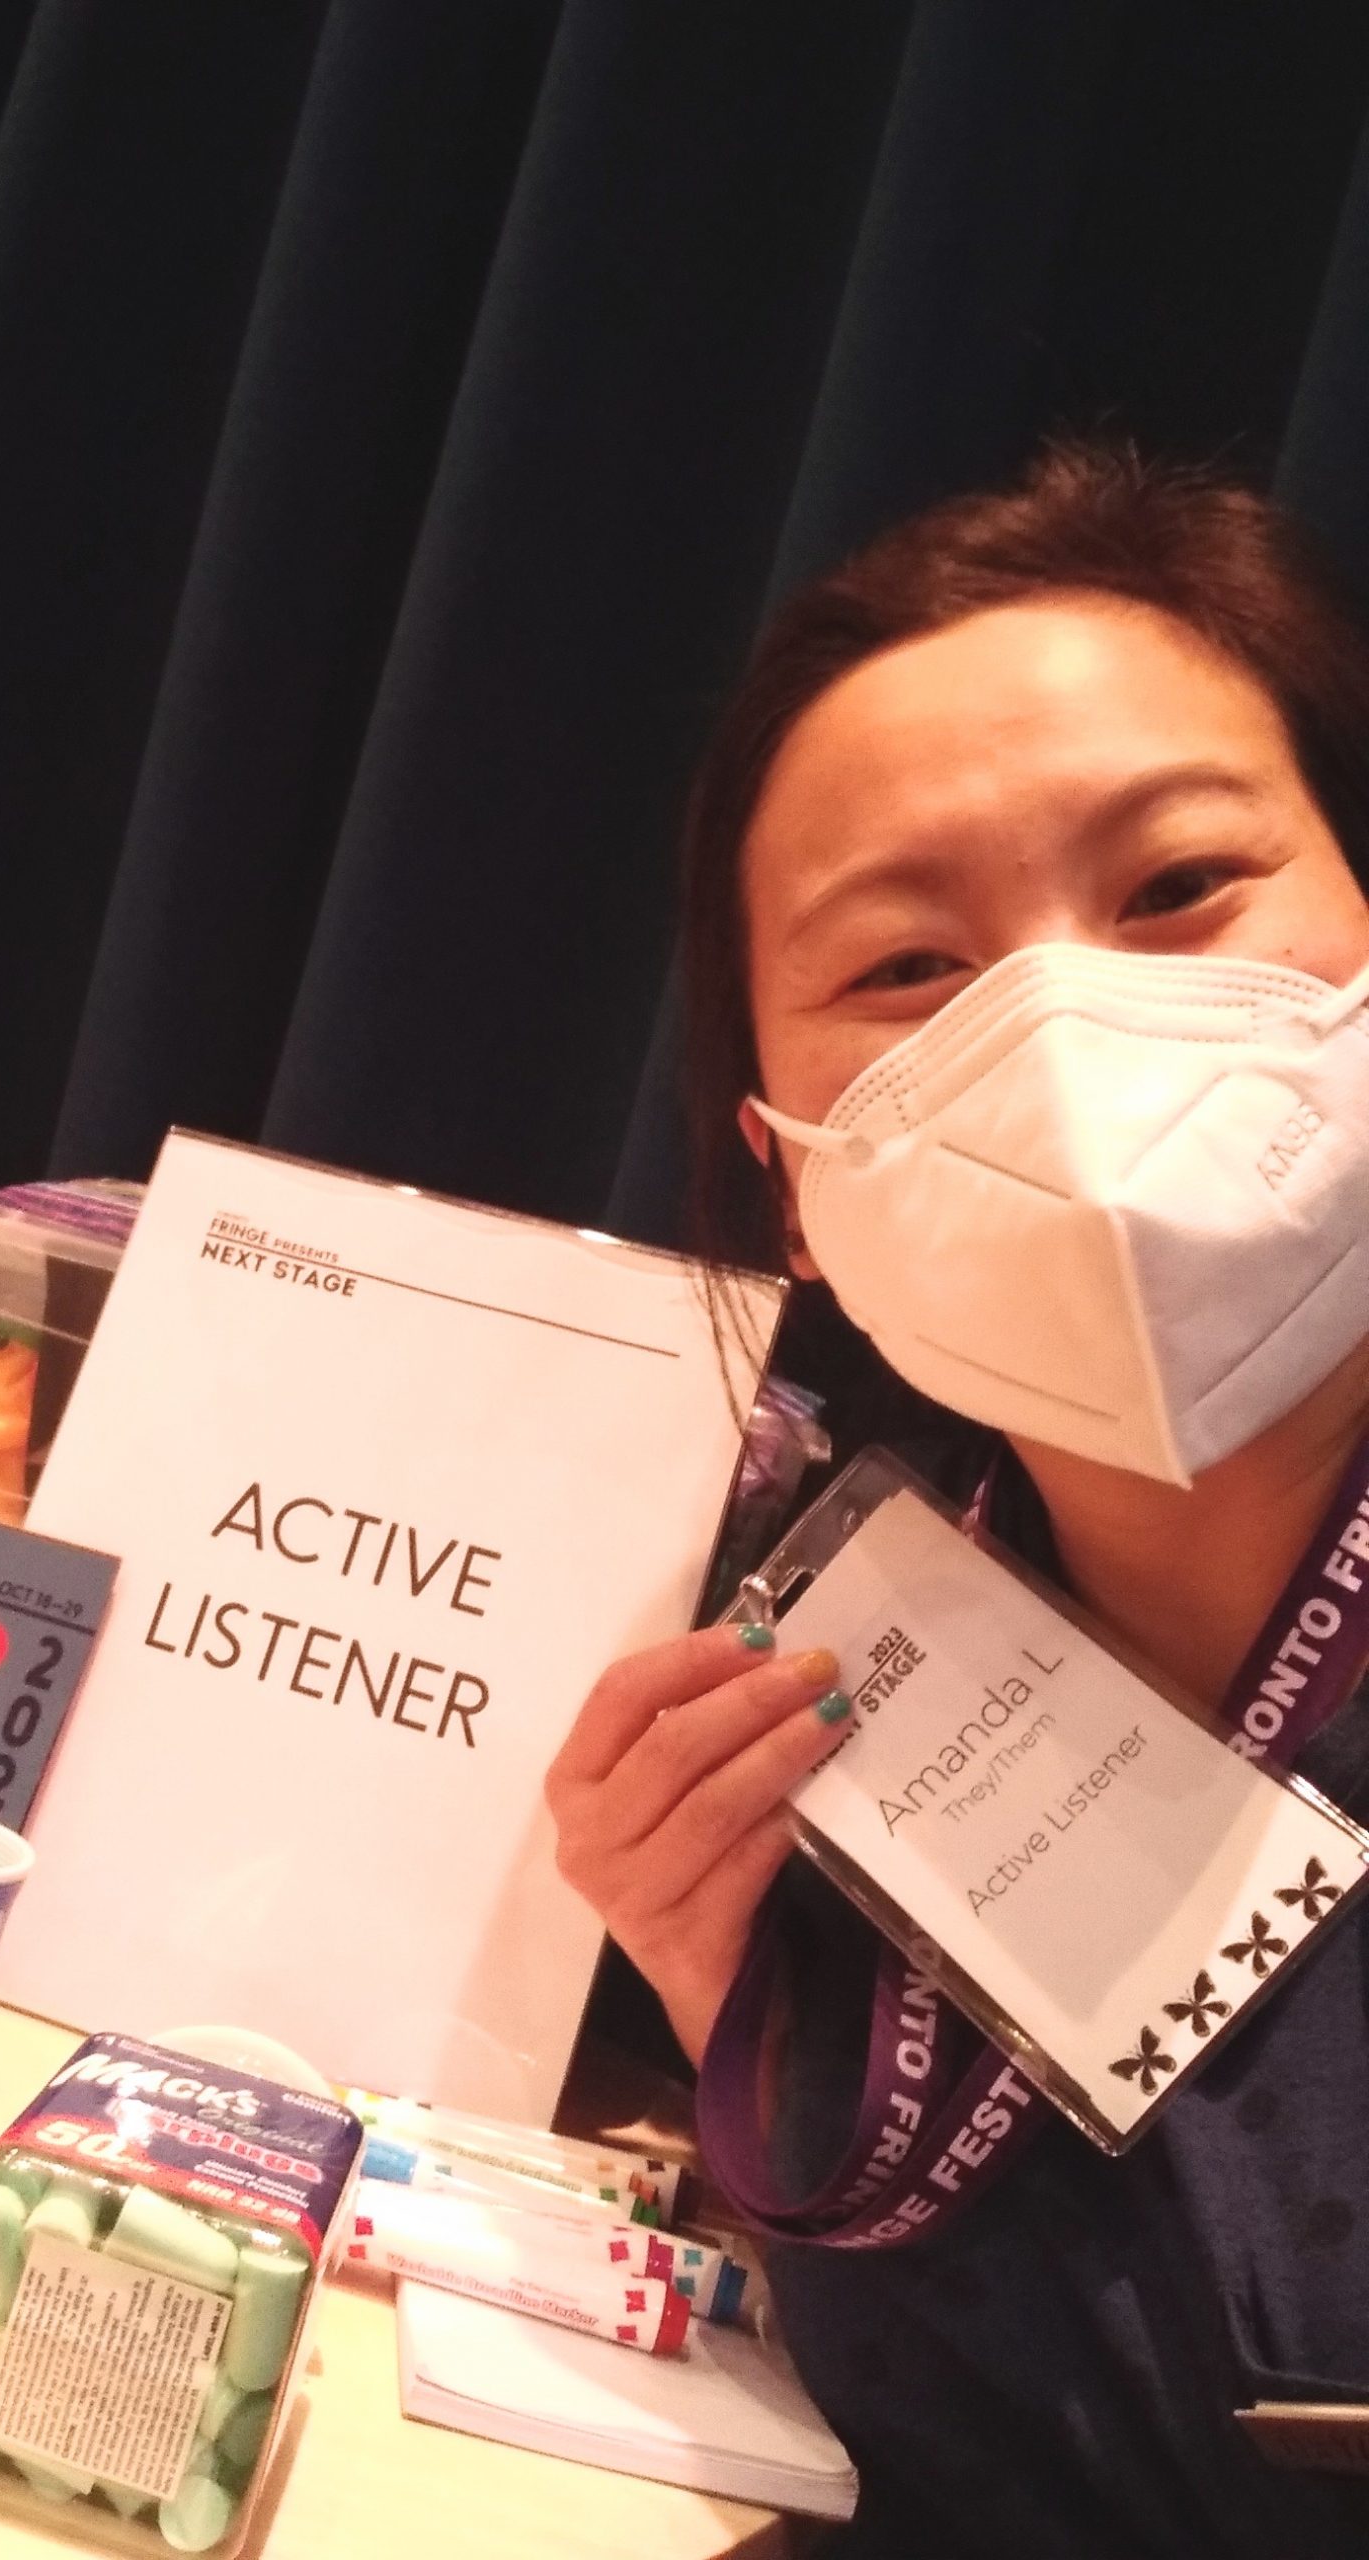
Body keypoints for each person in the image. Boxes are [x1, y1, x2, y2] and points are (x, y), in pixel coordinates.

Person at [545, 443, 1369, 2558]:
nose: (1062, 1035)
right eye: (904, 967)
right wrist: (724, 1982)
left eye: (1183, 883)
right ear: (790, 1176)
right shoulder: (855, 1662)